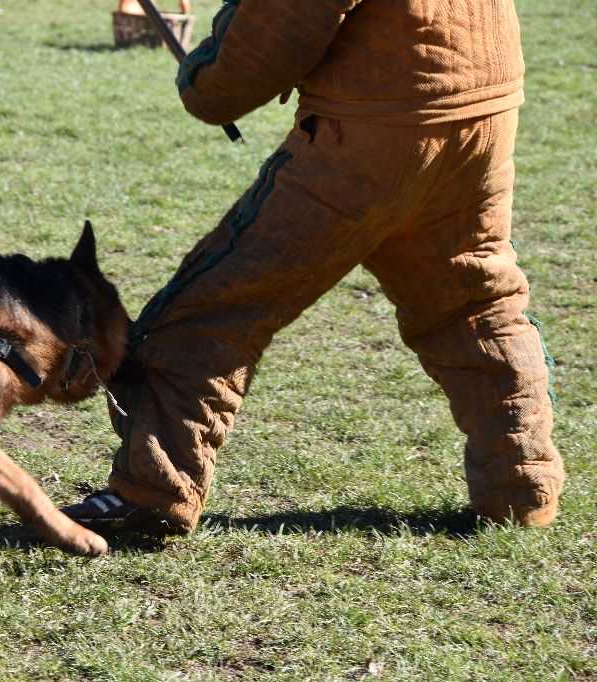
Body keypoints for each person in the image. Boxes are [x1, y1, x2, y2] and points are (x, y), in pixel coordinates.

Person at [63, 0, 564, 534]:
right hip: (483, 104)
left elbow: (287, 15)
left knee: (212, 307)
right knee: (473, 304)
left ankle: (152, 492)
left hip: (375, 126)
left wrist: (209, 79)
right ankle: (521, 489)